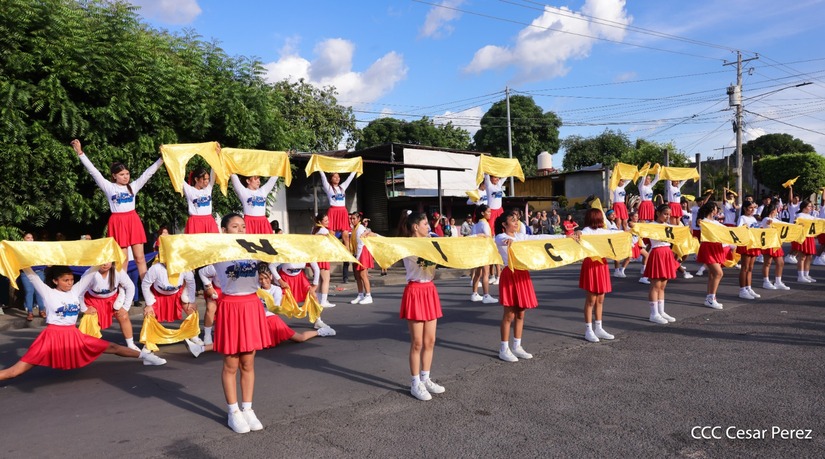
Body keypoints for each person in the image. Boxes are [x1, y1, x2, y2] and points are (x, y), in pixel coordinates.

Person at [0, 265, 166, 381]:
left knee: (111, 347)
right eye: (65, 280)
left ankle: (146, 356)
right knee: (15, 372)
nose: (69, 283)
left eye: (71, 280)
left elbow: (92, 270)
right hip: (52, 337)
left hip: (73, 335)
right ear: (56, 281)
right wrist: (22, 258)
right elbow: (32, 276)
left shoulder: (75, 291)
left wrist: (100, 255)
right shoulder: (48, 293)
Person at [199, 213, 273, 434]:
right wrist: (209, 288)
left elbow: (274, 256)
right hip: (231, 307)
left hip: (251, 305)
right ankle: (233, 412)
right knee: (231, 364)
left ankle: (248, 409)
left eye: (243, 226)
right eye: (234, 226)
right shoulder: (218, 252)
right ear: (224, 230)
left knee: (248, 363)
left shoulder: (254, 250)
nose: (240, 230)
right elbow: (202, 271)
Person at [184, 265, 336, 358]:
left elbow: (274, 309)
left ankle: (320, 332)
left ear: (271, 277)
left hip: (271, 321)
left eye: (265, 278)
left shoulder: (277, 290)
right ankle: (200, 349)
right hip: (256, 319)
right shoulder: (255, 288)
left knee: (299, 338)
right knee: (237, 341)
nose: (263, 281)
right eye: (261, 279)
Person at [72, 139, 163, 282]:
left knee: (140, 258)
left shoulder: (133, 186)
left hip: (133, 220)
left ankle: (146, 288)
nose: (125, 177)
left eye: (127, 173)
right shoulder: (109, 187)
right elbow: (94, 172)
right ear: (114, 176)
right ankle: (121, 288)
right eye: (122, 174)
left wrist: (162, 158)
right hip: (118, 222)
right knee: (122, 260)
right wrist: (80, 153)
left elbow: (148, 173)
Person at [494, 210, 571, 361]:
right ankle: (504, 349)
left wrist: (564, 236)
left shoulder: (520, 236)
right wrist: (509, 241)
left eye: (516, 220)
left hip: (522, 273)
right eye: (512, 220)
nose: (516, 223)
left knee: (521, 313)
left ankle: (517, 346)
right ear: (504, 224)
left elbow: (539, 237)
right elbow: (503, 240)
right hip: (510, 273)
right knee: (509, 314)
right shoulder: (500, 237)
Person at [396, 211, 446, 401]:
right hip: (415, 291)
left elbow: (454, 245)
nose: (429, 227)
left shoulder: (432, 241)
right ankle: (415, 383)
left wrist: (477, 238)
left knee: (430, 340)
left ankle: (426, 378)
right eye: (425, 224)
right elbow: (386, 243)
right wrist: (371, 235)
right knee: (417, 342)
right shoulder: (407, 244)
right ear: (416, 227)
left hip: (429, 290)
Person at [579, 209, 617, 343]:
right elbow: (580, 234)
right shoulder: (587, 230)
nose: (602, 220)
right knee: (591, 300)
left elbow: (617, 234)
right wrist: (578, 232)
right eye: (601, 217)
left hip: (602, 264)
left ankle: (599, 328)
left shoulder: (603, 231)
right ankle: (588, 330)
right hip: (591, 264)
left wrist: (630, 230)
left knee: (600, 299)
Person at [81, 263, 139, 350]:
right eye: (102, 261)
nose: (105, 264)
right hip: (93, 301)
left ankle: (131, 344)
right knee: (89, 319)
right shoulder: (89, 273)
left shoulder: (118, 271)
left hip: (113, 299)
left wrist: (125, 307)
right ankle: (88, 346)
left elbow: (130, 287)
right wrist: (84, 308)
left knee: (123, 316)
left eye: (108, 261)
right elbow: (79, 292)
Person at [645, 204, 681, 324]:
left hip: (667, 253)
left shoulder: (668, 226)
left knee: (663, 285)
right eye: (665, 214)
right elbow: (638, 228)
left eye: (669, 215)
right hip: (657, 252)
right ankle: (653, 313)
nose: (667, 217)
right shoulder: (651, 225)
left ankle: (661, 311)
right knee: (655, 285)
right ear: (658, 213)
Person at [696, 201, 726, 309]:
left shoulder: (715, 222)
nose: (717, 210)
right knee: (719, 273)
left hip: (716, 247)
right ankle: (711, 298)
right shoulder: (703, 221)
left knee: (712, 275)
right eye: (716, 208)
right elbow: (700, 223)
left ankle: (709, 298)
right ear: (712, 209)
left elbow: (726, 230)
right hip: (708, 247)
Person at [470, 205, 497, 304]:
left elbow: (472, 237)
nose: (490, 214)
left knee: (478, 273)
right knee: (486, 273)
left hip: (477, 250)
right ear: (482, 213)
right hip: (484, 250)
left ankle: (474, 293)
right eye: (488, 212)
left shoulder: (475, 224)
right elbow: (488, 238)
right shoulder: (484, 224)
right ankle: (486, 295)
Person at [759, 202, 789, 290]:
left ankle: (778, 281)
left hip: (776, 243)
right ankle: (766, 281)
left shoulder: (776, 220)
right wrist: (768, 223)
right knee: (767, 262)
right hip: (769, 243)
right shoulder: (766, 219)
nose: (777, 211)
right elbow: (763, 226)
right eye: (776, 210)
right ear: (773, 210)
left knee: (780, 262)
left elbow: (785, 225)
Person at [736, 201, 762, 300]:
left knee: (750, 268)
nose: (752, 210)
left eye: (753, 208)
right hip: (746, 244)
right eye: (750, 208)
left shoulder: (753, 218)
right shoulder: (742, 218)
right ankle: (742, 290)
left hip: (754, 244)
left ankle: (748, 288)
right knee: (745, 267)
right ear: (745, 208)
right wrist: (744, 227)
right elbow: (738, 230)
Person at [311, 213, 337, 308]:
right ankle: (323, 301)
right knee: (326, 279)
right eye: (325, 221)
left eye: (328, 220)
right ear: (320, 221)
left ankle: (319, 299)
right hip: (322, 256)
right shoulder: (323, 230)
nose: (328, 222)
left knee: (320, 279)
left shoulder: (314, 229)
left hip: (317, 256)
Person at [183, 167, 219, 234]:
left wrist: (215, 161)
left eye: (208, 179)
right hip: (195, 222)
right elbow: (178, 176)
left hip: (209, 221)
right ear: (196, 179)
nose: (207, 181)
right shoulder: (189, 190)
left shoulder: (208, 189)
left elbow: (214, 171)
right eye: (204, 179)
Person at [18, 232, 45, 321]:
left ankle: (41, 310)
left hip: (39, 272)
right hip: (26, 272)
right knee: (29, 291)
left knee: (39, 291)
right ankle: (30, 312)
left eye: (31, 237)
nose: (30, 239)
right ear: (23, 239)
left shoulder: (38, 248)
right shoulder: (20, 249)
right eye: (28, 238)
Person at [349, 212, 374, 305]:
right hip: (357, 253)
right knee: (357, 276)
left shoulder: (360, 228)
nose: (352, 220)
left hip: (362, 253)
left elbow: (361, 244)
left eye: (354, 218)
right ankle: (360, 295)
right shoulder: (354, 228)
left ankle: (368, 295)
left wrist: (357, 257)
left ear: (359, 219)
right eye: (351, 218)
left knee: (363, 275)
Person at [793, 200, 819, 283]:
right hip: (803, 237)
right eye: (809, 206)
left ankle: (806, 274)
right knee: (802, 257)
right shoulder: (799, 215)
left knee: (809, 256)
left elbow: (818, 222)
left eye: (811, 206)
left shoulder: (810, 216)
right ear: (804, 207)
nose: (811, 208)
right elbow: (795, 224)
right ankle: (800, 276)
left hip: (810, 237)